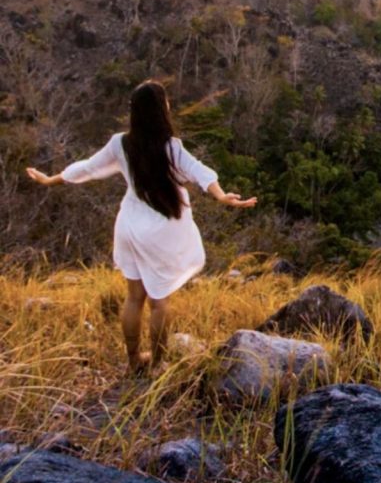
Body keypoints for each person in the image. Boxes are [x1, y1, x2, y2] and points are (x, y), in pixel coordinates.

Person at [26, 79, 257, 373]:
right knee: (159, 303)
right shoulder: (171, 147)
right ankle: (158, 364)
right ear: (162, 110)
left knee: (134, 298)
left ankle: (133, 360)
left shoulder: (120, 143)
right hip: (161, 229)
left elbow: (87, 168)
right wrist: (222, 196)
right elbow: (200, 171)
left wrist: (51, 179)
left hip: (129, 226)